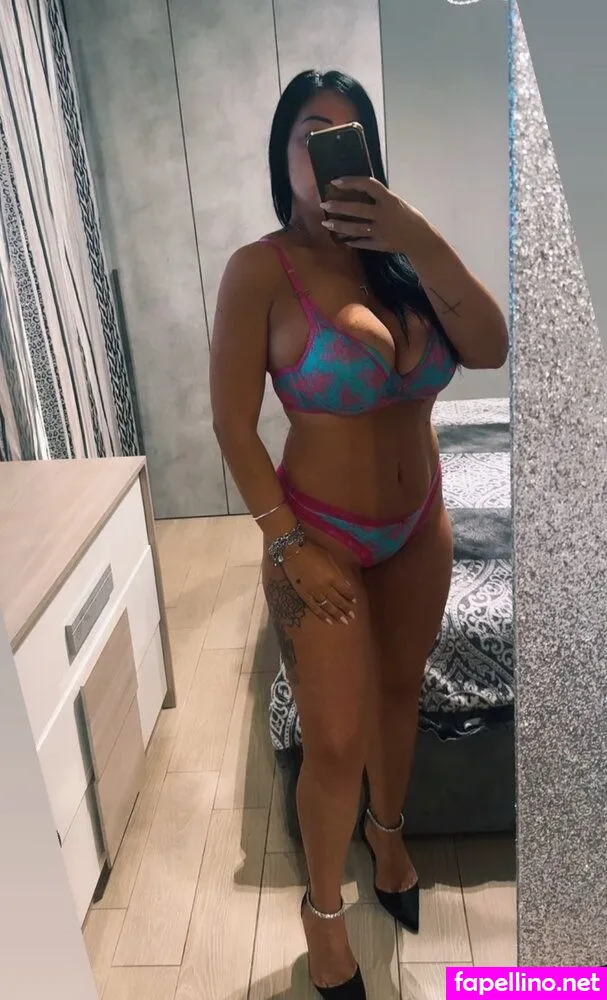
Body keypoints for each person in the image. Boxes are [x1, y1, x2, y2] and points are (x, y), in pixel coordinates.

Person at [210, 69, 508, 999]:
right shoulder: (260, 271)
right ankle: (323, 913)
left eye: (347, 135)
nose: (326, 153)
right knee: (334, 741)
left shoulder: (402, 259)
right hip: (321, 534)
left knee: (398, 692)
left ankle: (389, 839)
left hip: (420, 525)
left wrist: (418, 238)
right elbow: (231, 425)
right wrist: (284, 541)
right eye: (310, 134)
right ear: (282, 154)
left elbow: (490, 347)